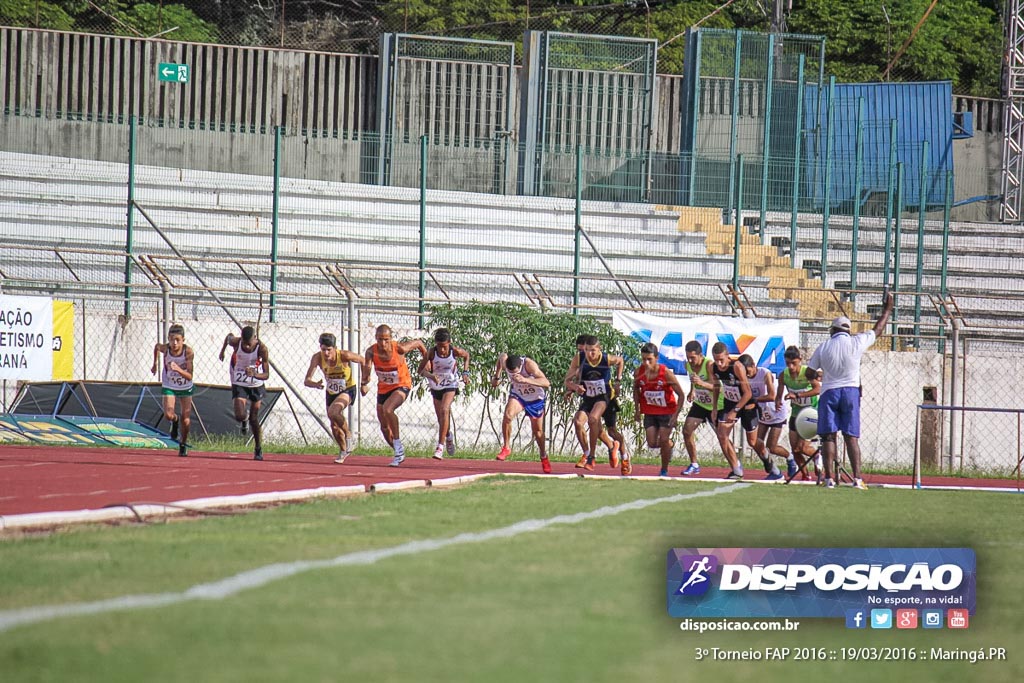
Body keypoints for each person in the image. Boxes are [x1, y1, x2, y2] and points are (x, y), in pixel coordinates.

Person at [807, 292, 894, 489]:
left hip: (829, 392)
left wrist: (820, 376)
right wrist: (887, 310)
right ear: (847, 330)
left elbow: (810, 373)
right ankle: (857, 478)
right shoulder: (857, 342)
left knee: (829, 436)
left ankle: (829, 479)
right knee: (850, 436)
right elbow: (877, 330)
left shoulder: (824, 346)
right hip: (850, 392)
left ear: (833, 330)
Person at [362, 324, 428, 467]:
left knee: (388, 409)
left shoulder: (399, 348)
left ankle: (398, 448)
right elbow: (366, 371)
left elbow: (419, 343)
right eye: (380, 339)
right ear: (376, 338)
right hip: (383, 389)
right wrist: (364, 383)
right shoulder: (371, 352)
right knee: (384, 427)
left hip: (402, 385)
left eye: (386, 339)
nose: (383, 343)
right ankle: (399, 452)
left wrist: (425, 362)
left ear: (391, 339)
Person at [564, 335, 625, 472]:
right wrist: (574, 388)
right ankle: (589, 454)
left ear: (599, 349)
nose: (588, 354)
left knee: (605, 427)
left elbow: (620, 360)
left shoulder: (606, 358)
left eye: (592, 350)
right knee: (579, 422)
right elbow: (568, 379)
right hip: (589, 397)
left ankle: (618, 455)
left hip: (605, 397)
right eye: (585, 350)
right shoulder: (579, 359)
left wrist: (618, 381)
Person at [304, 332, 365, 464]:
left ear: (335, 348)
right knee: (334, 426)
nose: (326, 353)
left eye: (329, 350)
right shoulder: (317, 358)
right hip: (331, 392)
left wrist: (365, 381)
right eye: (323, 349)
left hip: (347, 389)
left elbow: (363, 360)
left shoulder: (344, 355)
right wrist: (315, 384)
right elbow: (307, 380)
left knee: (333, 412)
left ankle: (349, 436)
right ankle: (343, 451)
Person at [491, 353, 551, 474]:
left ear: (520, 366)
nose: (513, 375)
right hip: (519, 396)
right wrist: (496, 377)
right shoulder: (505, 362)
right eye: (510, 373)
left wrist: (525, 379)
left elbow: (546, 382)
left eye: (516, 373)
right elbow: (501, 356)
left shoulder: (529, 365)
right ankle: (506, 447)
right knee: (508, 415)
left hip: (535, 399)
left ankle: (543, 456)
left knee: (538, 432)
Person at [418, 328, 471, 460]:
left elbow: (467, 356)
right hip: (436, 386)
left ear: (449, 343)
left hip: (450, 384)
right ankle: (448, 436)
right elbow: (420, 371)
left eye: (444, 347)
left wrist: (465, 372)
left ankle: (439, 448)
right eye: (439, 346)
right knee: (440, 418)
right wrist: (430, 375)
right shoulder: (431, 353)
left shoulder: (455, 351)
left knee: (445, 409)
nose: (442, 350)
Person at [633, 342, 685, 477]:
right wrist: (637, 410)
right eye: (643, 359)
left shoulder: (665, 373)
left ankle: (664, 469)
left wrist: (675, 415)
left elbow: (681, 394)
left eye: (649, 359)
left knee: (663, 439)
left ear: (656, 358)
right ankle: (669, 444)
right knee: (652, 443)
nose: (646, 362)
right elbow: (635, 389)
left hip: (666, 412)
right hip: (649, 411)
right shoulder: (639, 372)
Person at [220, 325, 270, 461]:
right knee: (239, 415)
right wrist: (222, 351)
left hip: (256, 384)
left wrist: (254, 374)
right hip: (240, 382)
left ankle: (258, 447)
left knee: (255, 418)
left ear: (255, 339)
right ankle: (244, 419)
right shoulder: (237, 342)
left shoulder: (262, 349)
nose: (247, 347)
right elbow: (228, 337)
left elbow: (266, 375)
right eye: (245, 343)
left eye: (249, 344)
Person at [775, 346, 822, 482]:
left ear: (800, 361)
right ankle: (805, 475)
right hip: (796, 414)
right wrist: (778, 400)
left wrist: (798, 394)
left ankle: (817, 455)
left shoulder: (806, 373)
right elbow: (780, 387)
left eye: (793, 363)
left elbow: (818, 389)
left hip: (810, 413)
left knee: (802, 447)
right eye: (788, 363)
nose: (791, 366)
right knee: (795, 449)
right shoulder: (784, 375)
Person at [151, 323, 194, 457]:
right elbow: (157, 347)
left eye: (177, 340)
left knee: (186, 420)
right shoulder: (166, 349)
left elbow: (189, 376)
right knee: (168, 415)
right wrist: (155, 364)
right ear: (168, 339)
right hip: (169, 384)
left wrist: (178, 369)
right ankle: (175, 421)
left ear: (183, 340)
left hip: (185, 386)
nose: (174, 343)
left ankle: (183, 443)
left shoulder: (188, 352)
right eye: (171, 340)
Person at [739, 354, 783, 480]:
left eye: (748, 371)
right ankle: (771, 466)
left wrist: (752, 399)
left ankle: (788, 460)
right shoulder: (743, 377)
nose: (746, 375)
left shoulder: (764, 373)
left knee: (771, 446)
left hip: (773, 412)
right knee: (754, 443)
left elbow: (771, 395)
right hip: (759, 412)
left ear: (753, 366)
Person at [680, 340, 722, 476]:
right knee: (687, 430)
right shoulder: (688, 365)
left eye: (693, 357)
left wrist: (701, 383)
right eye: (688, 357)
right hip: (701, 404)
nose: (690, 361)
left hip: (716, 404)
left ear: (700, 355)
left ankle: (736, 466)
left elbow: (717, 387)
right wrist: (692, 390)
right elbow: (694, 378)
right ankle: (694, 464)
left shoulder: (709, 365)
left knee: (723, 437)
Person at [710, 342, 749, 481]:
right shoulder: (713, 367)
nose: (719, 364)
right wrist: (714, 408)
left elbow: (748, 393)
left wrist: (736, 410)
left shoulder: (736, 367)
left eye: (722, 360)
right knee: (722, 435)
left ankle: (772, 467)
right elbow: (715, 387)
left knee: (754, 442)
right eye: (716, 360)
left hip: (745, 403)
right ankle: (736, 468)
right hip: (729, 402)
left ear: (728, 356)